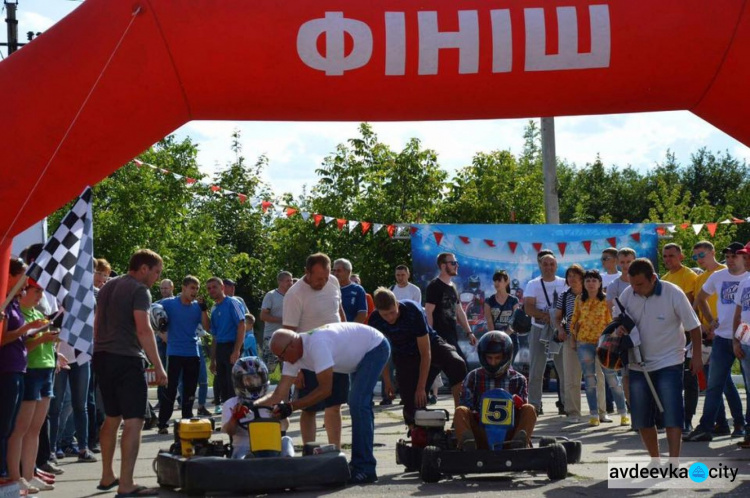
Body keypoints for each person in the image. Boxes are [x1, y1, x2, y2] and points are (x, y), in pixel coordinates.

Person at [260, 323, 390, 484]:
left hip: (375, 346)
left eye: (281, 356)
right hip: (357, 354)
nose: (281, 360)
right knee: (359, 404)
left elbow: (325, 390)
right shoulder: (291, 354)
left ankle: (365, 468)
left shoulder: (317, 345)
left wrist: (291, 406)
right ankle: (360, 464)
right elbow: (279, 393)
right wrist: (252, 405)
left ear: (292, 345)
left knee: (357, 403)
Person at [93, 249, 167, 497]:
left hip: (102, 356)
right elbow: (144, 329)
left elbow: (96, 322)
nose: (156, 278)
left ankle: (107, 476)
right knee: (134, 420)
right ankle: (126, 484)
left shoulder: (108, 286)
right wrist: (158, 365)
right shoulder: (139, 290)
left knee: (112, 417)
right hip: (126, 358)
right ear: (144, 268)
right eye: (156, 272)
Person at [616, 258, 701, 459]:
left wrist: (696, 356)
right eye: (632, 284)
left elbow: (694, 327)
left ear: (653, 278)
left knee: (672, 413)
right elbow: (617, 322)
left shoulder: (673, 293)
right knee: (641, 417)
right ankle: (655, 460)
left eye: (640, 284)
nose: (635, 289)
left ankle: (674, 460)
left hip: (670, 361)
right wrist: (618, 329)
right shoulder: (627, 295)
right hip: (638, 363)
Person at [368, 288, 467, 426]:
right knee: (411, 409)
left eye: (392, 312)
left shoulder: (412, 311)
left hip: (429, 346)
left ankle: (460, 418)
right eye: (385, 315)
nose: (390, 318)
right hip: (405, 356)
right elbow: (381, 352)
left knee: (457, 363)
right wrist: (387, 381)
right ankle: (418, 431)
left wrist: (421, 388)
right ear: (378, 311)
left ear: (397, 304)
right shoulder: (374, 321)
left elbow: (426, 353)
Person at [282, 253, 347, 449]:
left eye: (326, 277)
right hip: (308, 359)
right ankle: (310, 451)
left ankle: (335, 451)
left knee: (334, 406)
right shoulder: (294, 294)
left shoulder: (333, 282)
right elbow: (288, 336)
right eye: (319, 278)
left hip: (336, 355)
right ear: (306, 273)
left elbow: (339, 311)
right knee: (309, 408)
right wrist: (296, 371)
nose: (323, 282)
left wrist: (346, 337)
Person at [684, 242, 749, 441]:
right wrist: (710, 321)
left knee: (746, 385)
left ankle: (741, 425)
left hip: (745, 339)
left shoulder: (746, 277)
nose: (730, 260)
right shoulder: (718, 276)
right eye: (727, 256)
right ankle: (706, 427)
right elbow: (700, 298)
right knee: (715, 384)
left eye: (735, 256)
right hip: (722, 337)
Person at [5, 276, 59, 493]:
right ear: (24, 291)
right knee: (21, 429)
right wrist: (43, 339)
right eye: (36, 291)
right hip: (31, 370)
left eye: (41, 292)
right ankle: (16, 476)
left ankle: (29, 473)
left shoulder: (37, 314)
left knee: (35, 429)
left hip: (46, 369)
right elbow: (25, 344)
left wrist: (53, 345)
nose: (40, 296)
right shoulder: (20, 314)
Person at [454, 331, 537, 450]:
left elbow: (522, 410)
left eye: (497, 358)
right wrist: (480, 413)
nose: (493, 362)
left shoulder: (519, 379)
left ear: (506, 357)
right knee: (460, 411)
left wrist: (515, 402)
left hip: (509, 434)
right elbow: (466, 405)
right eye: (489, 358)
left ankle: (519, 445)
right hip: (481, 433)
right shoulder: (473, 377)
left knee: (529, 409)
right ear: (483, 357)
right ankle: (469, 446)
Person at [570, 270, 629, 427]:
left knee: (612, 378)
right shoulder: (579, 300)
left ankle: (623, 413)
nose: (591, 283)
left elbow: (612, 320)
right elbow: (574, 320)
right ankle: (594, 414)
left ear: (600, 283)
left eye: (594, 280)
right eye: (588, 280)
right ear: (584, 283)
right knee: (590, 380)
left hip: (604, 343)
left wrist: (613, 338)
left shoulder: (606, 300)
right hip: (584, 343)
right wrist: (573, 339)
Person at [156, 276, 210, 435]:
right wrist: (161, 333)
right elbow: (151, 313)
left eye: (197, 289)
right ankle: (163, 423)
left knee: (190, 389)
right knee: (170, 389)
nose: (195, 292)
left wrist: (204, 310)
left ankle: (187, 419)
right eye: (192, 288)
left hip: (192, 352)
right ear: (184, 288)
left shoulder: (197, 307)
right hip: (174, 353)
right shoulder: (169, 303)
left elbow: (207, 328)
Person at [686, 241, 730, 434]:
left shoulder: (727, 272)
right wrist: (704, 325)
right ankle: (720, 423)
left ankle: (737, 422)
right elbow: (697, 304)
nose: (699, 260)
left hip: (727, 332)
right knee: (714, 383)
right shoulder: (700, 277)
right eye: (695, 257)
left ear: (713, 252)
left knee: (725, 383)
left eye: (702, 255)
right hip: (707, 333)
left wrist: (718, 324)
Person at [221, 357, 294, 458]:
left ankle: (289, 467)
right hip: (244, 448)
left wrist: (281, 415)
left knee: (286, 440)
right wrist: (234, 418)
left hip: (271, 447)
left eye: (256, 378)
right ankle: (248, 462)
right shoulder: (231, 404)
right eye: (248, 379)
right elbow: (229, 431)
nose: (253, 383)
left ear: (263, 378)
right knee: (245, 456)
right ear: (239, 382)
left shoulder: (273, 400)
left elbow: (285, 426)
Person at [523, 252, 567, 415]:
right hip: (539, 329)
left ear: (556, 266)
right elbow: (528, 307)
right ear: (540, 266)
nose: (548, 267)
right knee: (536, 369)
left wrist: (557, 320)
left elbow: (570, 305)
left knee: (563, 369)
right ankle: (534, 405)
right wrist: (545, 316)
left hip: (559, 330)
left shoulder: (564, 283)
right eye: (545, 264)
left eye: (551, 264)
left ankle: (566, 403)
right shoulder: (533, 284)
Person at [425, 253, 477, 361]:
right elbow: (428, 312)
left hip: (452, 335)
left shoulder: (453, 286)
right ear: (443, 266)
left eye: (456, 263)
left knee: (434, 373)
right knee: (461, 368)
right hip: (440, 338)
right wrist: (430, 337)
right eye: (453, 263)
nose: (456, 265)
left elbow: (459, 310)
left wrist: (469, 332)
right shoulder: (434, 286)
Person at [206, 277, 246, 413]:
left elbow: (242, 324)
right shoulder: (214, 308)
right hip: (221, 349)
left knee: (233, 384)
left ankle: (239, 415)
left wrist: (236, 350)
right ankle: (229, 415)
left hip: (232, 346)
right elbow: (214, 334)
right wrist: (213, 360)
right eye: (209, 288)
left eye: (214, 287)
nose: (211, 290)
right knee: (223, 384)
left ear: (222, 288)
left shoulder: (232, 302)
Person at [732, 241, 750, 448]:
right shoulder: (745, 282)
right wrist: (735, 341)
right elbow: (738, 314)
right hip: (746, 344)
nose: (745, 259)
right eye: (744, 256)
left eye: (747, 256)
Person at [260, 271, 293, 374]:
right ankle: (262, 389)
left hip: (288, 339)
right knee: (266, 370)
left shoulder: (293, 295)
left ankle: (287, 390)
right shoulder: (271, 295)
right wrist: (282, 320)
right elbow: (263, 316)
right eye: (287, 280)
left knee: (288, 370)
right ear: (280, 282)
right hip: (271, 337)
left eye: (291, 280)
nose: (290, 283)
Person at [483, 270, 521, 350]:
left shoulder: (514, 300)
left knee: (509, 362)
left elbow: (514, 322)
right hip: (495, 341)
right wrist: (494, 338)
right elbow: (489, 322)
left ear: (507, 282)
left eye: (499, 280)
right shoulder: (489, 300)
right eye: (495, 281)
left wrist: (504, 336)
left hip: (511, 340)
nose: (496, 283)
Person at [333, 259, 367, 323]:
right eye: (334, 271)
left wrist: (350, 329)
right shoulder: (330, 288)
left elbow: (362, 314)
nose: (335, 274)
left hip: (349, 329)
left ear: (348, 272)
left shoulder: (358, 290)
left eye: (339, 271)